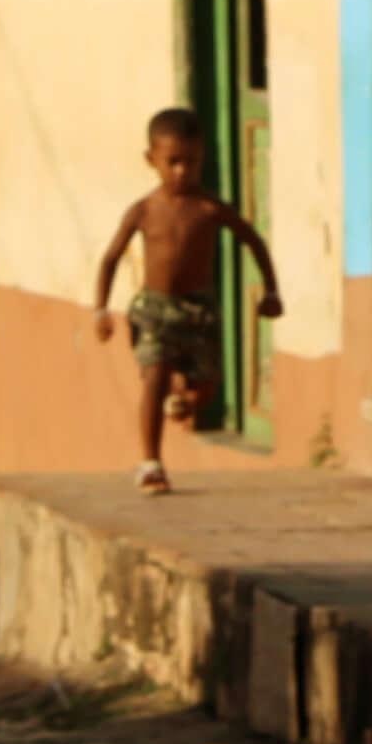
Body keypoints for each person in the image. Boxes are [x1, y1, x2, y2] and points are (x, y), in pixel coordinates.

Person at [87, 105, 281, 493]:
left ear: (201, 160)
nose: (181, 171)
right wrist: (100, 309)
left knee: (205, 389)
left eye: (190, 163)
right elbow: (110, 258)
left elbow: (253, 241)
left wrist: (272, 291)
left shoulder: (210, 208)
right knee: (154, 375)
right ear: (151, 160)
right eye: (172, 162)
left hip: (199, 312)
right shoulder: (142, 211)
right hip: (155, 310)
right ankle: (151, 463)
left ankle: (183, 396)